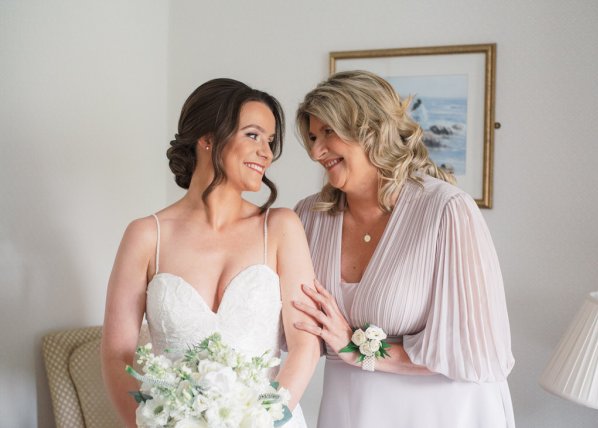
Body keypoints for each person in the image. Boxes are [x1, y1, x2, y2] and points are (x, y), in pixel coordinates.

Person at [293, 70, 515, 428]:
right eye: (313, 137)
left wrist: (355, 350)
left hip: (443, 410)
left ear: (370, 129)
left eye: (329, 133)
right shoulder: (308, 217)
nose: (317, 151)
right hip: (350, 408)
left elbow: (474, 352)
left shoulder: (446, 210)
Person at [101, 78, 320, 428]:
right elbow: (117, 356)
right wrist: (152, 424)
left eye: (270, 140)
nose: (266, 152)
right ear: (207, 139)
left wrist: (263, 420)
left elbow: (305, 347)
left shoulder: (280, 228)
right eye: (253, 135)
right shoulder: (145, 236)